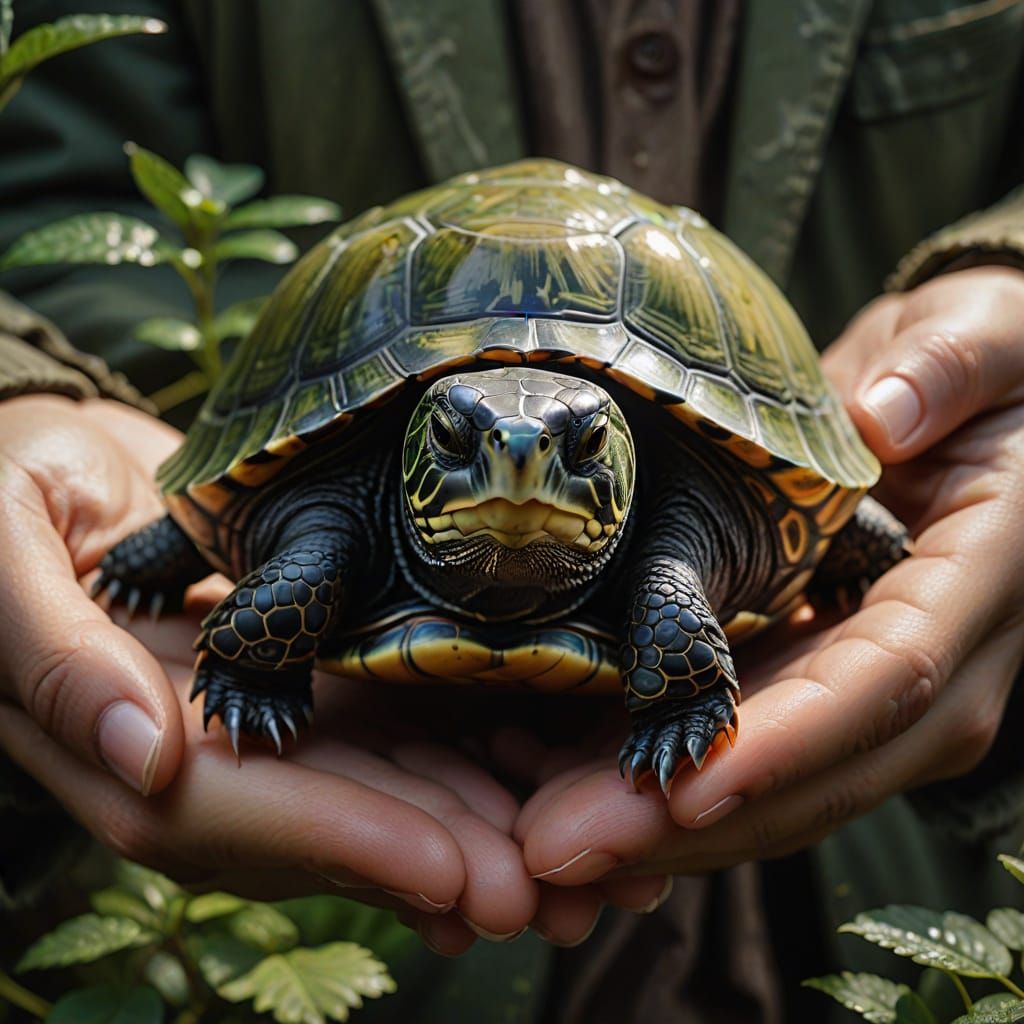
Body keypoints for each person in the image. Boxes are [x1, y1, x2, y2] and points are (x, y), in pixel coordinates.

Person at [2, 1, 1024, 1020]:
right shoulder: (346, 514)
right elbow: (46, 192)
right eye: (460, 443)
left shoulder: (672, 542)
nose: (520, 462)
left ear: (618, 457)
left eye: (576, 451)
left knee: (829, 540)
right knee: (288, 545)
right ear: (417, 446)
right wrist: (30, 386)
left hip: (876, 867)